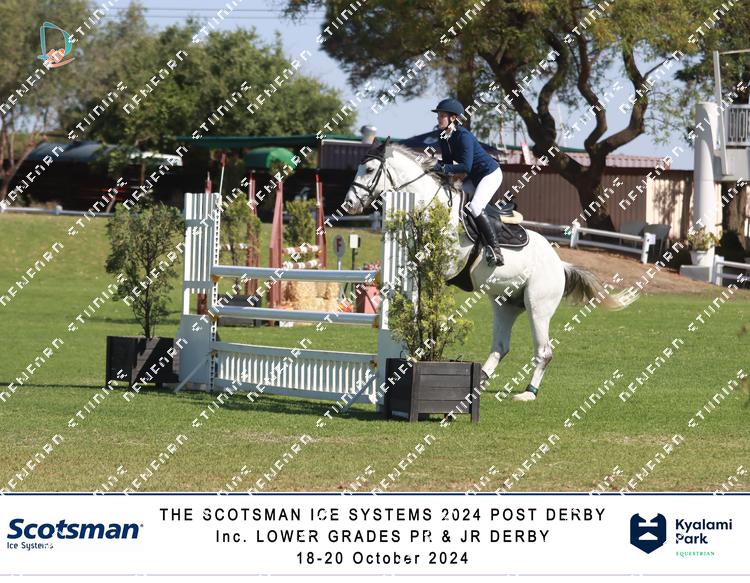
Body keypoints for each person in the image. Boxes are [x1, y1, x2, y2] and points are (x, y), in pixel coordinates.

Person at [431, 98, 505, 266]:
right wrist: (433, 165)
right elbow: (447, 163)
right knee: (454, 201)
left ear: (453, 118)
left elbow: (465, 166)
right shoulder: (443, 137)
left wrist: (442, 167)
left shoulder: (463, 136)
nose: (438, 119)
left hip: (490, 174)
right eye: (438, 116)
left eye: (442, 116)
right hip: (473, 176)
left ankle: (496, 250)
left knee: (475, 207)